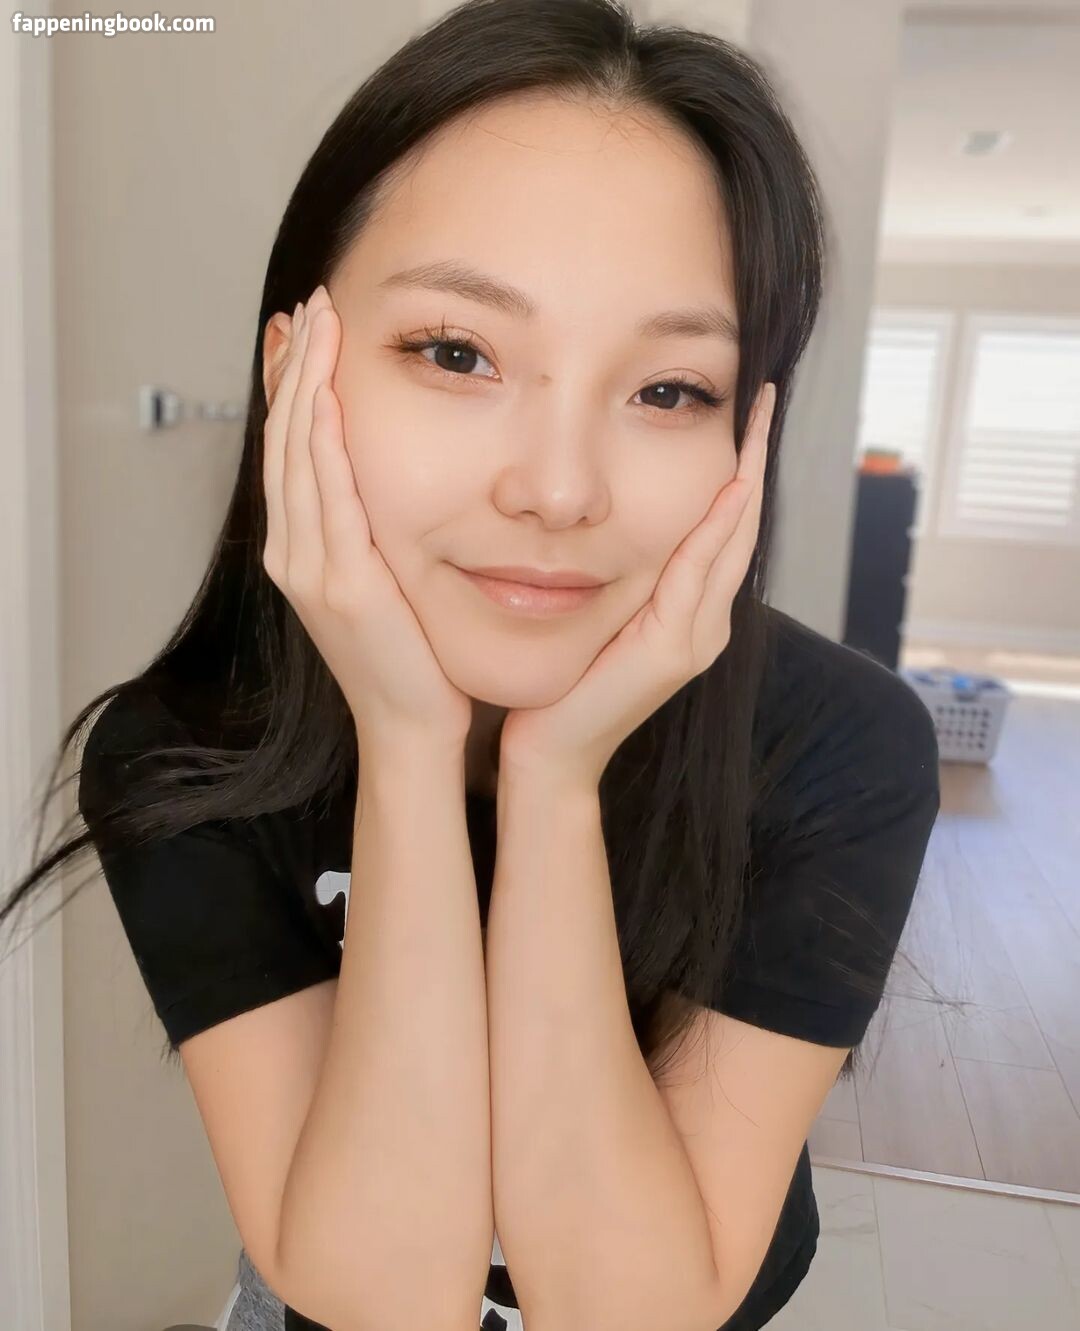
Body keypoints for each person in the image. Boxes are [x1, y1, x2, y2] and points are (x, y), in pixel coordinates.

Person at [1, 2, 942, 1329]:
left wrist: (555, 782)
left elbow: (629, 1313)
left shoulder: (836, 744)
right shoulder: (190, 747)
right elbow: (385, 1302)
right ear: (294, 370)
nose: (558, 490)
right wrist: (406, 746)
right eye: (457, 353)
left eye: (669, 389)